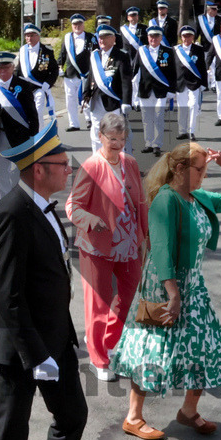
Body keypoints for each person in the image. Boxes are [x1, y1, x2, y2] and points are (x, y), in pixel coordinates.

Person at [0, 119, 100, 440]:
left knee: (72, 417)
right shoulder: (11, 213)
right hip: (21, 348)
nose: (70, 170)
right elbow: (8, 296)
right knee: (12, 433)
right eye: (62, 165)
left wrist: (60, 340)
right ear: (39, 170)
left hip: (54, 339)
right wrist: (35, 354)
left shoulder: (45, 207)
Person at [111, 142, 221, 439]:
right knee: (153, 351)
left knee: (204, 346)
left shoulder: (197, 197)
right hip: (164, 285)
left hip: (193, 285)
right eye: (200, 170)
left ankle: (188, 411)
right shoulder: (166, 201)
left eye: (206, 170)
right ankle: (133, 417)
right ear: (180, 168)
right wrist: (173, 293)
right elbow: (160, 250)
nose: (204, 175)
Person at [65, 113, 147, 381]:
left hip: (129, 243)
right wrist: (90, 219)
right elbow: (72, 206)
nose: (118, 144)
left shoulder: (130, 162)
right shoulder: (92, 166)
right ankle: (98, 358)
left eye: (122, 139)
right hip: (97, 245)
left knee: (129, 295)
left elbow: (141, 202)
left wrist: (145, 236)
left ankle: (109, 341)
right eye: (113, 139)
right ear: (100, 137)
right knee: (98, 304)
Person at [0, 51, 40, 200]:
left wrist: (33, 137)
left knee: (17, 173)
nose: (2, 71)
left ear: (13, 67)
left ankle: (20, 202)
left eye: (6, 68)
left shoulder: (23, 85)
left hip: (19, 137)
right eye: (0, 68)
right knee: (0, 176)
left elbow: (32, 113)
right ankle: (5, 205)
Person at [82, 24, 131, 154]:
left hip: (112, 102)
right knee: (96, 133)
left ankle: (116, 161)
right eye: (100, 37)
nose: (101, 40)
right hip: (96, 101)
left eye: (104, 37)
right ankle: (97, 161)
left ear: (113, 39)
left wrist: (126, 101)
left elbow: (126, 81)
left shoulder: (121, 56)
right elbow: (90, 78)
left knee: (114, 134)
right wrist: (85, 96)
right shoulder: (95, 55)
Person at [131, 26, 177, 154]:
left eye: (156, 36)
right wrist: (133, 94)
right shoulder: (141, 51)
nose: (153, 39)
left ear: (161, 38)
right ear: (148, 37)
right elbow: (134, 71)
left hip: (161, 91)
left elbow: (173, 73)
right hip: (145, 90)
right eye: (151, 36)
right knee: (147, 119)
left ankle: (157, 144)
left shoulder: (168, 51)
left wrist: (172, 90)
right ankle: (148, 143)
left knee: (158, 117)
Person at [55, 14, 96, 132]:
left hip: (86, 73)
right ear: (72, 25)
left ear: (83, 24)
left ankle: (89, 120)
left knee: (87, 98)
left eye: (79, 24)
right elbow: (62, 54)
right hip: (70, 74)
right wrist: (59, 66)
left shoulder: (91, 37)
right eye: (75, 24)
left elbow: (96, 54)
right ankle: (73, 123)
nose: (77, 26)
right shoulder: (67, 38)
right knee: (70, 100)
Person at [17, 23, 59, 123]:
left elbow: (54, 70)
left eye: (32, 35)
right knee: (26, 114)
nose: (29, 38)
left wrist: (48, 83)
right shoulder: (23, 50)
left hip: (39, 87)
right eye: (27, 36)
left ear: (38, 36)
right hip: (25, 88)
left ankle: (39, 131)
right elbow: (19, 70)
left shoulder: (46, 51)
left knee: (37, 112)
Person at [173, 26, 207, 141]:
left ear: (193, 37)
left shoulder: (198, 50)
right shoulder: (175, 50)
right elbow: (172, 69)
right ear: (181, 37)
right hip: (180, 83)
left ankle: (191, 131)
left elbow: (202, 67)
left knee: (193, 106)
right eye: (184, 36)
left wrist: (204, 83)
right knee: (182, 107)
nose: (186, 38)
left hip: (194, 83)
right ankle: (182, 131)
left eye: (189, 36)